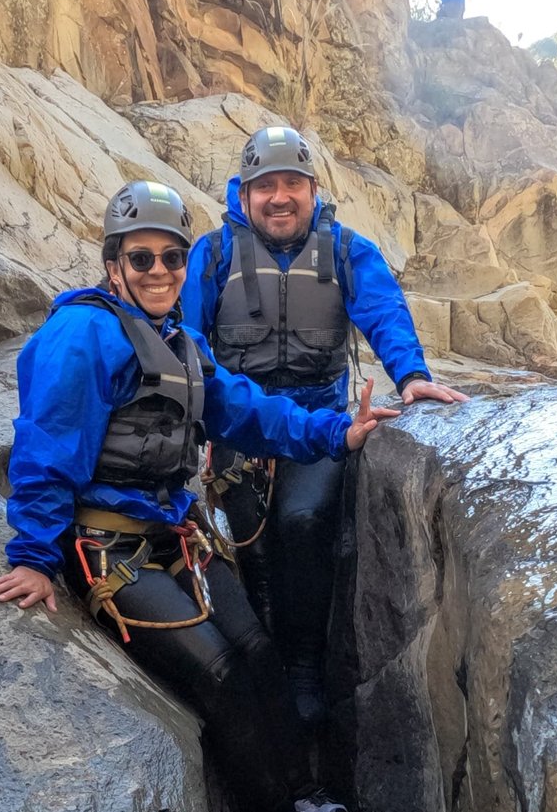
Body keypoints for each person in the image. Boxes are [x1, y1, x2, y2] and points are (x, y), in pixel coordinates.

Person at [0, 180, 398, 812]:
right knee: (220, 672)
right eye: (141, 259)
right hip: (106, 549)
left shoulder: (184, 343)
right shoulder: (83, 335)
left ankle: (302, 789)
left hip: (176, 538)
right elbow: (46, 445)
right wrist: (31, 556)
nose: (159, 273)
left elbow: (247, 411)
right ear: (113, 263)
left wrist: (338, 430)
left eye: (171, 259)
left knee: (259, 648)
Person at [181, 127, 467, 731]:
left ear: (312, 190)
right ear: (245, 193)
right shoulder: (212, 255)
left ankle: (305, 668)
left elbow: (383, 309)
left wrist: (411, 374)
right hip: (241, 426)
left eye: (291, 184)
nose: (279, 198)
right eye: (266, 187)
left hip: (320, 422)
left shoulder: (343, 249)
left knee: (304, 521)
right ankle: (263, 669)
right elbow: (186, 340)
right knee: (245, 544)